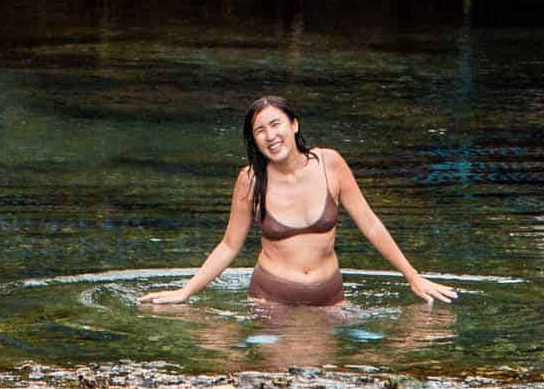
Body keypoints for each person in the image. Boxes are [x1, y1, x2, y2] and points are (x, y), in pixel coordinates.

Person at [140, 95, 456, 311]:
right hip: (272, 301)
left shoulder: (330, 164)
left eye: (275, 124)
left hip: (330, 299)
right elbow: (229, 246)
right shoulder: (250, 180)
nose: (270, 135)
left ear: (294, 125)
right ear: (254, 141)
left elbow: (371, 224)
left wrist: (412, 275)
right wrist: (186, 292)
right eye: (259, 131)